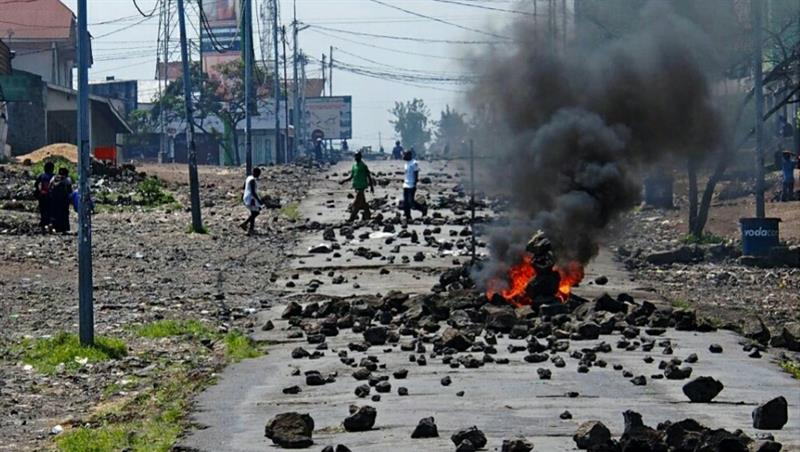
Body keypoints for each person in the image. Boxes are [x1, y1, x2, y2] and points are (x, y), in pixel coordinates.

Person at [339, 151, 374, 221]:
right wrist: (344, 181)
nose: (356, 157)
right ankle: (368, 216)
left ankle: (351, 218)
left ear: (360, 157)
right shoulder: (354, 166)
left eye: (358, 156)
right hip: (356, 186)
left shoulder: (363, 165)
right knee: (363, 203)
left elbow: (368, 176)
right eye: (355, 156)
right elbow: (351, 176)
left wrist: (371, 186)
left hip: (362, 186)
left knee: (356, 204)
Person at [402, 149, 428, 220]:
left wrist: (415, 183)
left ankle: (423, 209)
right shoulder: (406, 163)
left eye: (405, 155)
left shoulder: (414, 163)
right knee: (405, 202)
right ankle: (408, 216)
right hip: (405, 184)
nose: (403, 156)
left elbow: (416, 173)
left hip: (411, 184)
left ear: (409, 155)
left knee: (411, 201)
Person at [48, 167, 73, 233]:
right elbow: (70, 190)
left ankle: (54, 227)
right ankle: (64, 229)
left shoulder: (54, 178)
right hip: (63, 200)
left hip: (54, 199)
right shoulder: (67, 179)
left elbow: (49, 187)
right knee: (64, 214)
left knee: (54, 213)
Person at [240, 167, 264, 235]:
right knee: (256, 212)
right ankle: (245, 224)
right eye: (258, 174)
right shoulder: (252, 180)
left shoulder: (248, 178)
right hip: (251, 199)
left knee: (253, 213)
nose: (259, 175)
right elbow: (253, 192)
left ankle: (251, 229)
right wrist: (259, 201)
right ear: (256, 173)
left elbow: (244, 187)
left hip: (246, 197)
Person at [34, 161, 55, 230]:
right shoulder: (54, 176)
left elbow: (36, 185)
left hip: (42, 196)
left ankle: (43, 224)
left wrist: (38, 192)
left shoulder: (41, 176)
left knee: (43, 210)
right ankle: (50, 224)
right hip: (51, 197)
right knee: (50, 210)